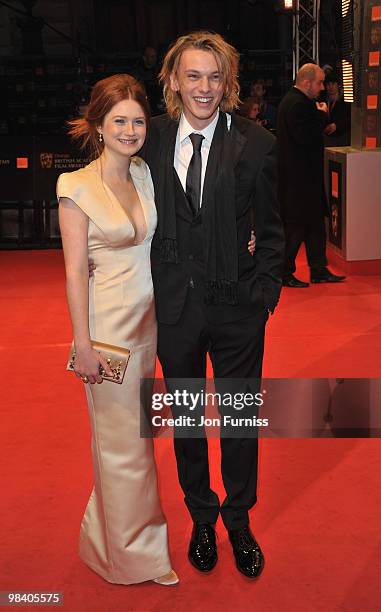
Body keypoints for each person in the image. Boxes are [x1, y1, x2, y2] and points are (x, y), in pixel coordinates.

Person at [142, 31, 284, 578]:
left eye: (214, 76)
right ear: (174, 80)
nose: (204, 87)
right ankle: (201, 516)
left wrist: (265, 293)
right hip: (175, 307)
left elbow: (272, 227)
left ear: (229, 83)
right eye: (193, 75)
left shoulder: (257, 142)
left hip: (237, 307)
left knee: (240, 420)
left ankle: (239, 520)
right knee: (185, 420)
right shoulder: (149, 139)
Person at [57, 74, 178, 586]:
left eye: (136, 120)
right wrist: (82, 346)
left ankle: (109, 540)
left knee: (137, 441)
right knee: (122, 444)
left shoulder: (145, 175)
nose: (129, 130)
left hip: (147, 327)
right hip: (107, 333)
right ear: (98, 126)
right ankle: (135, 557)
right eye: (118, 121)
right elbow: (72, 272)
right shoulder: (75, 187)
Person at [277, 63, 346, 288]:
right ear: (307, 82)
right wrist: (322, 115)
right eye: (319, 82)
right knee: (296, 226)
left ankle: (318, 269)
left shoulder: (296, 102)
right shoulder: (298, 104)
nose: (322, 87)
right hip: (300, 179)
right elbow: (304, 136)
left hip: (304, 178)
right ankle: (284, 272)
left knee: (315, 224)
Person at [323, 72, 351, 147]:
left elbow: (351, 119)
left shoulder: (345, 101)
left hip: (342, 138)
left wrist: (337, 126)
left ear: (338, 85)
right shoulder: (323, 100)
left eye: (333, 84)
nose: (331, 87)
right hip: (327, 138)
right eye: (328, 84)